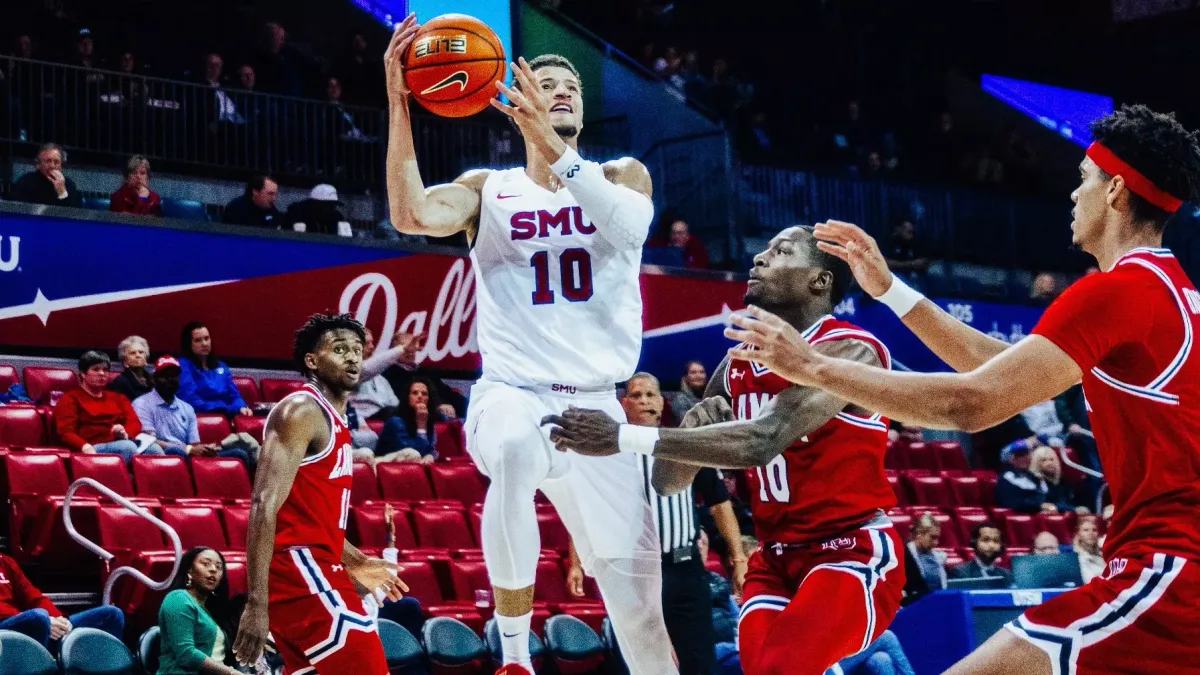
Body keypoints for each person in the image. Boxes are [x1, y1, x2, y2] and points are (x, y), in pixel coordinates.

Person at [721, 105, 1200, 674]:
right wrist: (892, 291)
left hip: (1168, 571)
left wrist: (813, 367)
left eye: (1083, 178)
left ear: (1116, 190)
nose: (1074, 194)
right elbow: (1004, 369)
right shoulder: (1166, 289)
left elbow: (971, 403)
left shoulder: (1118, 291)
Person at [384, 15, 674, 675]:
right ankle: (514, 657)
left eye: (569, 83)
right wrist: (400, 103)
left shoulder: (623, 175)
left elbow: (628, 230)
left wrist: (556, 147)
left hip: (601, 411)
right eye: (544, 82)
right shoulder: (491, 189)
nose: (561, 88)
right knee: (515, 448)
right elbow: (411, 215)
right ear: (513, 100)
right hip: (515, 393)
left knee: (642, 618)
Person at [544, 226, 904, 675]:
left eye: (781, 251)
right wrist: (692, 433)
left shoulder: (850, 350)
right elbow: (668, 481)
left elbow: (763, 440)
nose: (759, 258)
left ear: (819, 280)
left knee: (781, 667)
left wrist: (621, 437)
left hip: (849, 548)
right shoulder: (738, 363)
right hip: (774, 557)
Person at [233, 313, 407, 673]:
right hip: (300, 571)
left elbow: (312, 518)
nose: (353, 357)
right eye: (340, 349)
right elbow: (264, 505)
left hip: (313, 568)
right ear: (312, 361)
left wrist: (354, 558)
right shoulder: (302, 410)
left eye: (357, 349)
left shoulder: (337, 418)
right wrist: (256, 602)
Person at [623, 372, 745, 675]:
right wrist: (575, 562)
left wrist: (738, 557)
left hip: (686, 569)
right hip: (636, 572)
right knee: (647, 664)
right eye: (636, 396)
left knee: (700, 662)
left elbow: (719, 502)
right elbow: (589, 507)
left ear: (662, 402)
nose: (644, 401)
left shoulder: (684, 445)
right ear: (624, 403)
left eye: (650, 395)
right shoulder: (613, 451)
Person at [133, 356, 253, 465]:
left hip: (189, 455)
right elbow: (149, 441)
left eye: (174, 376)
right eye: (165, 376)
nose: (170, 380)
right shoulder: (141, 404)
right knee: (174, 451)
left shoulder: (187, 408)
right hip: (162, 457)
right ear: (154, 379)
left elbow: (194, 445)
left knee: (239, 453)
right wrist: (188, 449)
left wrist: (203, 449)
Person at [0, 551, 124, 649]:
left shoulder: (5, 561)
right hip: (6, 629)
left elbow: (33, 596)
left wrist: (58, 618)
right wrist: (46, 621)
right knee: (38, 617)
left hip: (36, 624)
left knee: (111, 614)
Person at [56, 350, 157, 464]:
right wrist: (84, 446)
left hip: (120, 441)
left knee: (155, 450)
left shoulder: (118, 397)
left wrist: (125, 432)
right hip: (91, 446)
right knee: (127, 447)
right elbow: (66, 432)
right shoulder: (71, 398)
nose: (102, 373)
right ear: (83, 374)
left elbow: (134, 422)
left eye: (105, 370)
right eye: (96, 369)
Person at [157, 547, 241, 675]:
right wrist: (231, 673)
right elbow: (186, 654)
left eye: (219, 567)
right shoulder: (178, 598)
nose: (213, 569)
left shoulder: (209, 610)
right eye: (205, 564)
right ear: (189, 570)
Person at [177, 322, 253, 417]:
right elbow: (189, 398)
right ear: (188, 344)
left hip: (227, 414)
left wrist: (241, 407)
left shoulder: (221, 366)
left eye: (206, 338)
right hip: (201, 417)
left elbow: (234, 395)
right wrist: (222, 409)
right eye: (197, 340)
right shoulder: (183, 366)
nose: (204, 344)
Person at [374, 378, 441, 464]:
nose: (420, 396)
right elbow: (411, 451)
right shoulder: (395, 421)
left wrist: (430, 455)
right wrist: (421, 426)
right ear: (408, 397)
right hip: (385, 464)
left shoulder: (428, 420)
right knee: (411, 453)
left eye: (424, 394)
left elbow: (431, 449)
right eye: (415, 393)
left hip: (410, 467)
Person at [10, 143, 82, 208]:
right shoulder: (25, 181)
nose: (52, 166)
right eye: (48, 161)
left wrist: (62, 192)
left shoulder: (69, 184)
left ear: (61, 166)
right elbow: (17, 208)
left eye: (56, 162)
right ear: (39, 164)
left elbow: (77, 214)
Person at [1029, 445, 1085, 514]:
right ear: (1036, 463)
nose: (1049, 463)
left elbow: (1064, 502)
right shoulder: (1033, 483)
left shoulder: (1063, 482)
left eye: (1052, 459)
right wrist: (1073, 509)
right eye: (1044, 460)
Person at [906, 513, 948, 591]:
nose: (936, 542)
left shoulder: (939, 558)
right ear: (919, 534)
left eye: (937, 538)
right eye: (932, 537)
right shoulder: (903, 555)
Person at [108, 335, 154, 402]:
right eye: (133, 353)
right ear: (124, 361)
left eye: (141, 352)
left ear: (146, 358)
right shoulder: (120, 382)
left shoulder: (153, 380)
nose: (138, 355)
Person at [1073, 517, 1106, 583]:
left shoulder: (1103, 553)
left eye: (1094, 530)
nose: (1091, 533)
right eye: (1086, 530)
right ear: (1078, 534)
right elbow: (1089, 581)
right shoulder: (1075, 556)